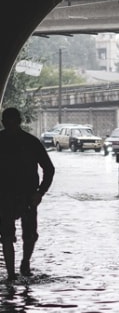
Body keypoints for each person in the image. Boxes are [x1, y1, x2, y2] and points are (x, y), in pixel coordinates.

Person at [0, 107, 55, 280]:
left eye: (12, 123)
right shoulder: (30, 141)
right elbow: (49, 169)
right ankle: (11, 273)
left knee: (27, 234)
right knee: (8, 235)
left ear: (18, 122)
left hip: (26, 195)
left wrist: (40, 193)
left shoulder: (31, 142)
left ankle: (23, 264)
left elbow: (49, 168)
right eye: (7, 123)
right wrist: (40, 192)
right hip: (9, 195)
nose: (10, 126)